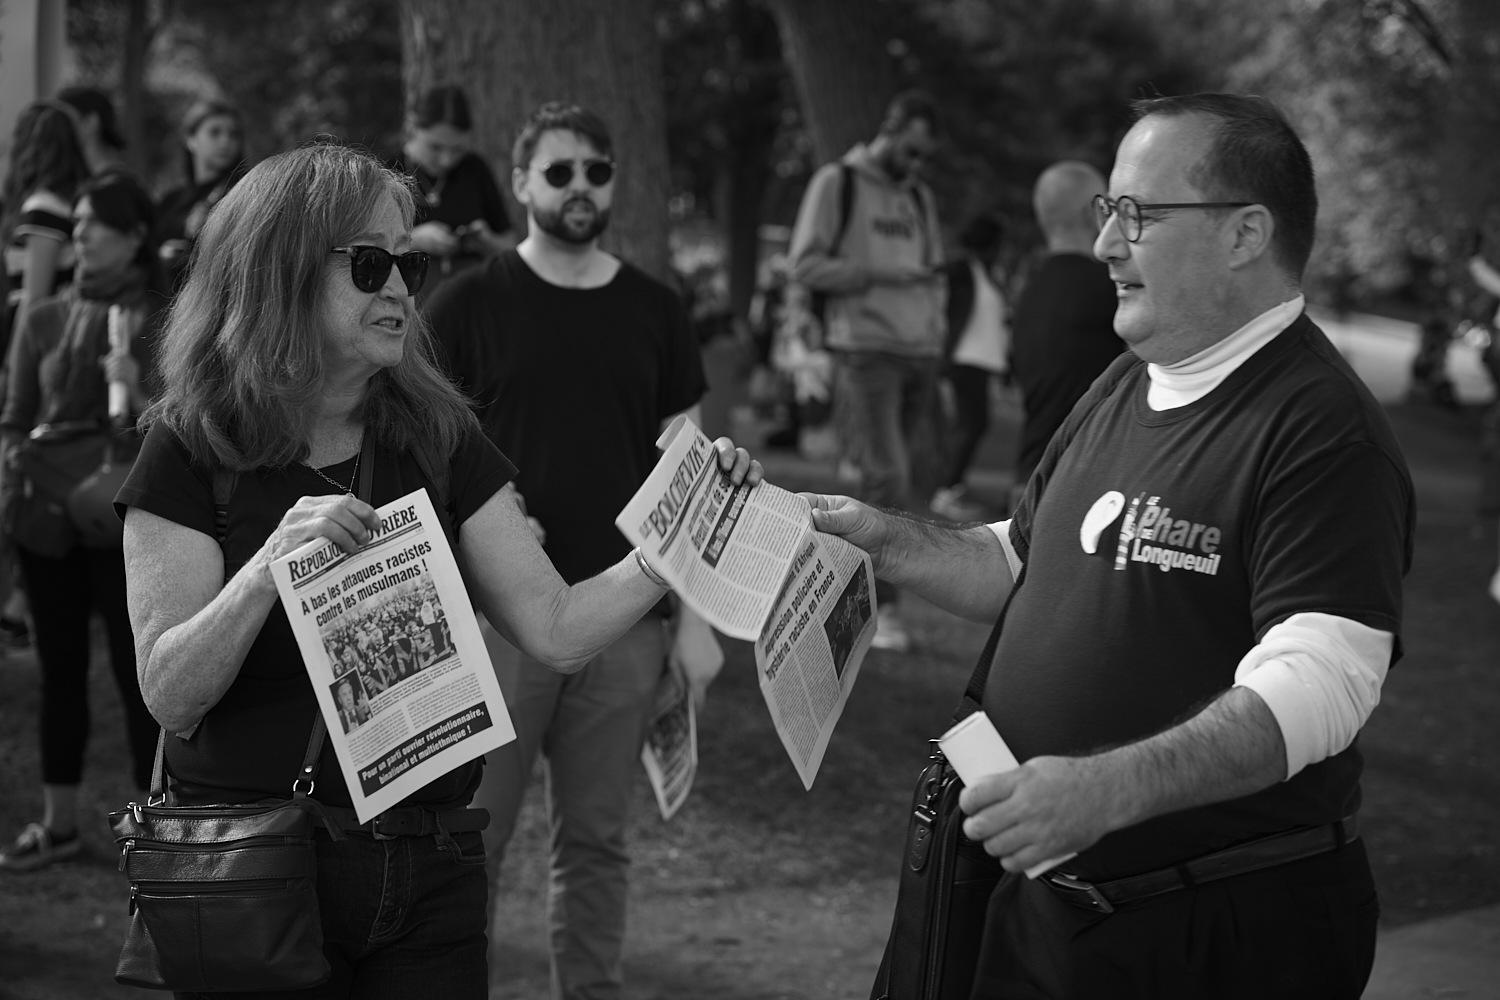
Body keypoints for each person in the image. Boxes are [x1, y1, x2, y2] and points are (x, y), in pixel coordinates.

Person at [112, 143, 757, 998]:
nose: (400, 290)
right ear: (280, 270)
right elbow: (169, 692)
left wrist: (683, 538)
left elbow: (557, 630)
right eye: (371, 263)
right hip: (256, 876)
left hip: (430, 868)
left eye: (408, 263)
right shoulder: (192, 445)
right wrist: (268, 570)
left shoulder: (436, 434)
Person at [806, 94, 1413, 997]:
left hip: (1213, 931)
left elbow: (1324, 685)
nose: (1105, 245)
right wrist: (884, 540)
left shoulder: (1320, 429)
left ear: (1247, 233)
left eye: (1141, 214)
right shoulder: (1127, 381)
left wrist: (1104, 791)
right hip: (1049, 908)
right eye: (1107, 211)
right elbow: (1022, 559)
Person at [426, 101, 718, 1000]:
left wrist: (698, 621)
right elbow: (414, 447)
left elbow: (691, 471)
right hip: (503, 621)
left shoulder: (657, 309)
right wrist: (479, 493)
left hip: (627, 621)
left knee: (596, 846)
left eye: (597, 171)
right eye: (559, 172)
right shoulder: (466, 303)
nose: (580, 187)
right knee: (472, 844)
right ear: (519, 183)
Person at [0, 173, 165, 871]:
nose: (83, 234)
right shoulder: (40, 319)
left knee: (140, 678)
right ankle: (58, 823)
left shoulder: (165, 320)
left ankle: (153, 829)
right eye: (79, 223)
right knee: (61, 675)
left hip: (127, 516)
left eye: (98, 223)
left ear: (133, 237)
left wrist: (140, 377)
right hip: (47, 524)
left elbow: (184, 425)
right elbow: (13, 420)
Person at [787, 90, 945, 652]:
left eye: (925, 156)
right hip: (866, 349)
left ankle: (862, 592)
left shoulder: (919, 195)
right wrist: (880, 273)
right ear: (890, 128)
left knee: (916, 478)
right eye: (910, 150)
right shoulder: (839, 182)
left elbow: (929, 272)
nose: (916, 164)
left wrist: (934, 333)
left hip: (919, 353)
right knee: (888, 475)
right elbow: (804, 263)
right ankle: (878, 612)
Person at [1008, 160, 1124, 504]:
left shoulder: (1027, 295)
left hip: (1026, 478)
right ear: (1093, 215)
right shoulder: (1110, 289)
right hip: (1080, 482)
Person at [395, 85, 513, 299]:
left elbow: (510, 248)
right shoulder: (388, 170)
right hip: (407, 300)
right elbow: (363, 248)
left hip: (475, 299)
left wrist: (486, 241)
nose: (446, 160)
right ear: (412, 127)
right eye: (435, 147)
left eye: (457, 149)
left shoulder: (474, 169)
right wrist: (415, 240)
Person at [930, 213, 1010, 522]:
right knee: (972, 424)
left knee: (972, 424)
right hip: (965, 359)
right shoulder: (962, 270)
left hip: (983, 360)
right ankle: (945, 489)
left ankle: (951, 485)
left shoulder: (991, 274)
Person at [154, 100, 247, 285]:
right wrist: (159, 259)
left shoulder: (242, 192)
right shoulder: (170, 201)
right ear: (190, 139)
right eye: (215, 132)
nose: (225, 141)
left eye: (233, 134)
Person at [56, 87, 131, 178]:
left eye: (64, 119)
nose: (55, 127)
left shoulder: (117, 185)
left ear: (90, 123)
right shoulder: (87, 181)